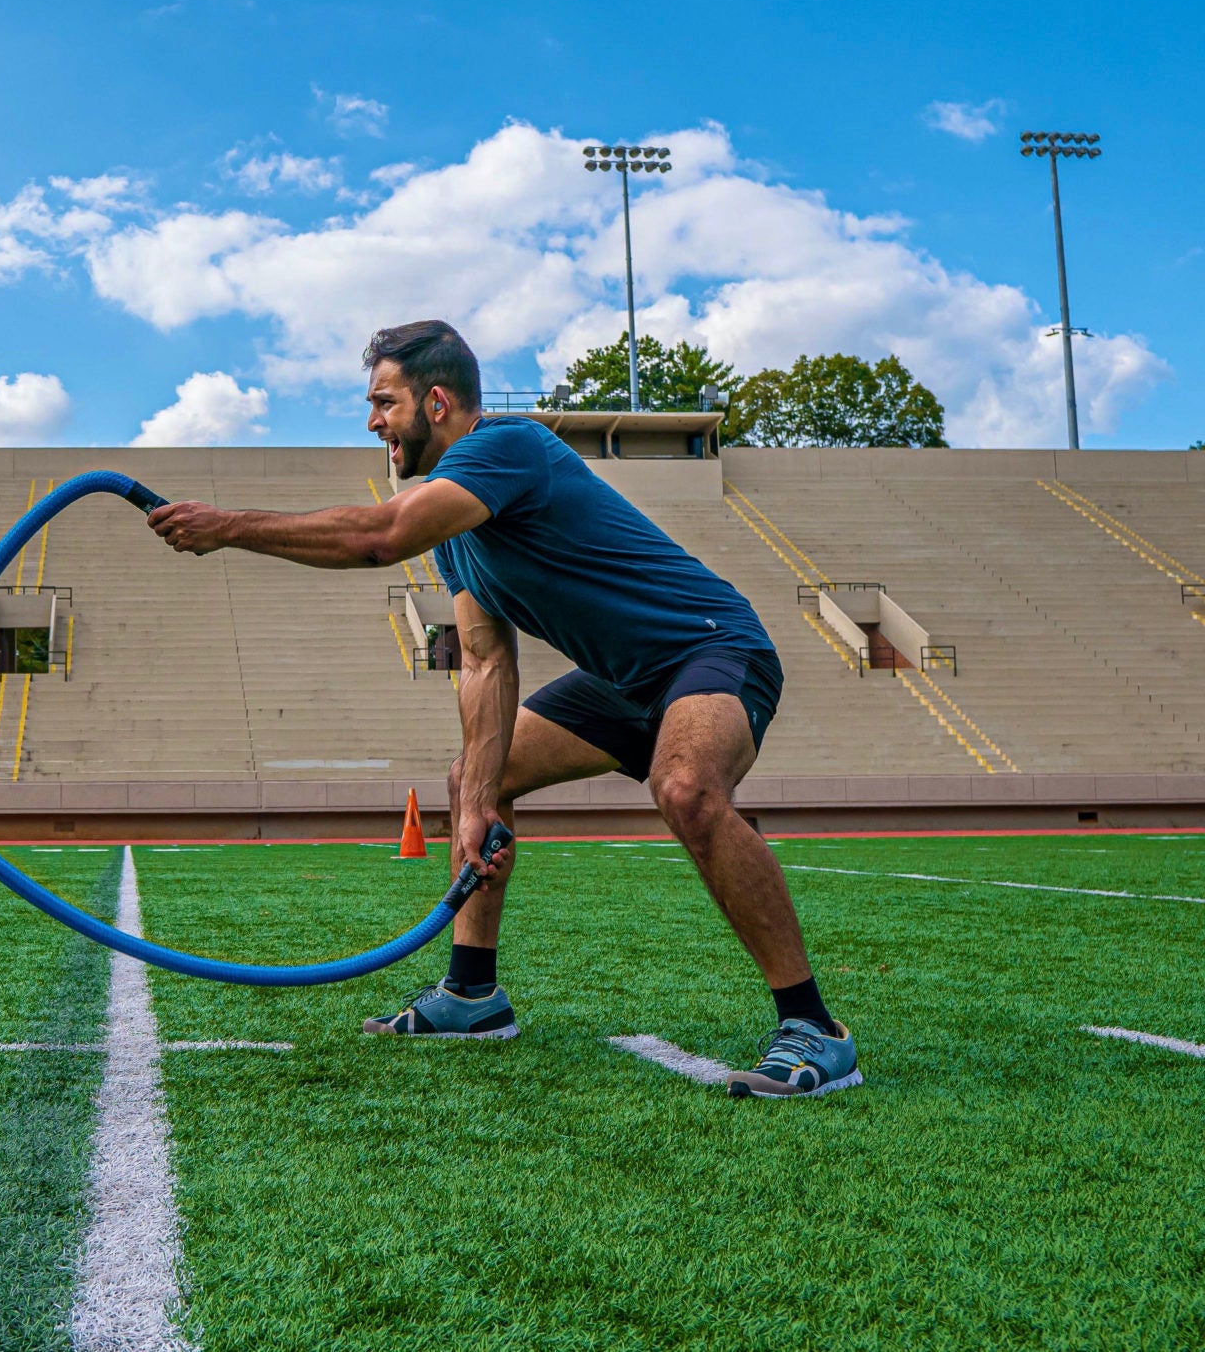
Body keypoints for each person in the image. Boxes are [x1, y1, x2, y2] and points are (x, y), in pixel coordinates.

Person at [145, 320, 860, 1098]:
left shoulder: (507, 447)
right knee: (472, 776)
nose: (372, 421)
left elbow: (382, 536)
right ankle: (471, 993)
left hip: (710, 647)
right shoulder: (455, 533)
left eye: (384, 402)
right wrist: (481, 797)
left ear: (439, 401)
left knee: (686, 788)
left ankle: (815, 1028)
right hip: (621, 679)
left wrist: (227, 527)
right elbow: (486, 659)